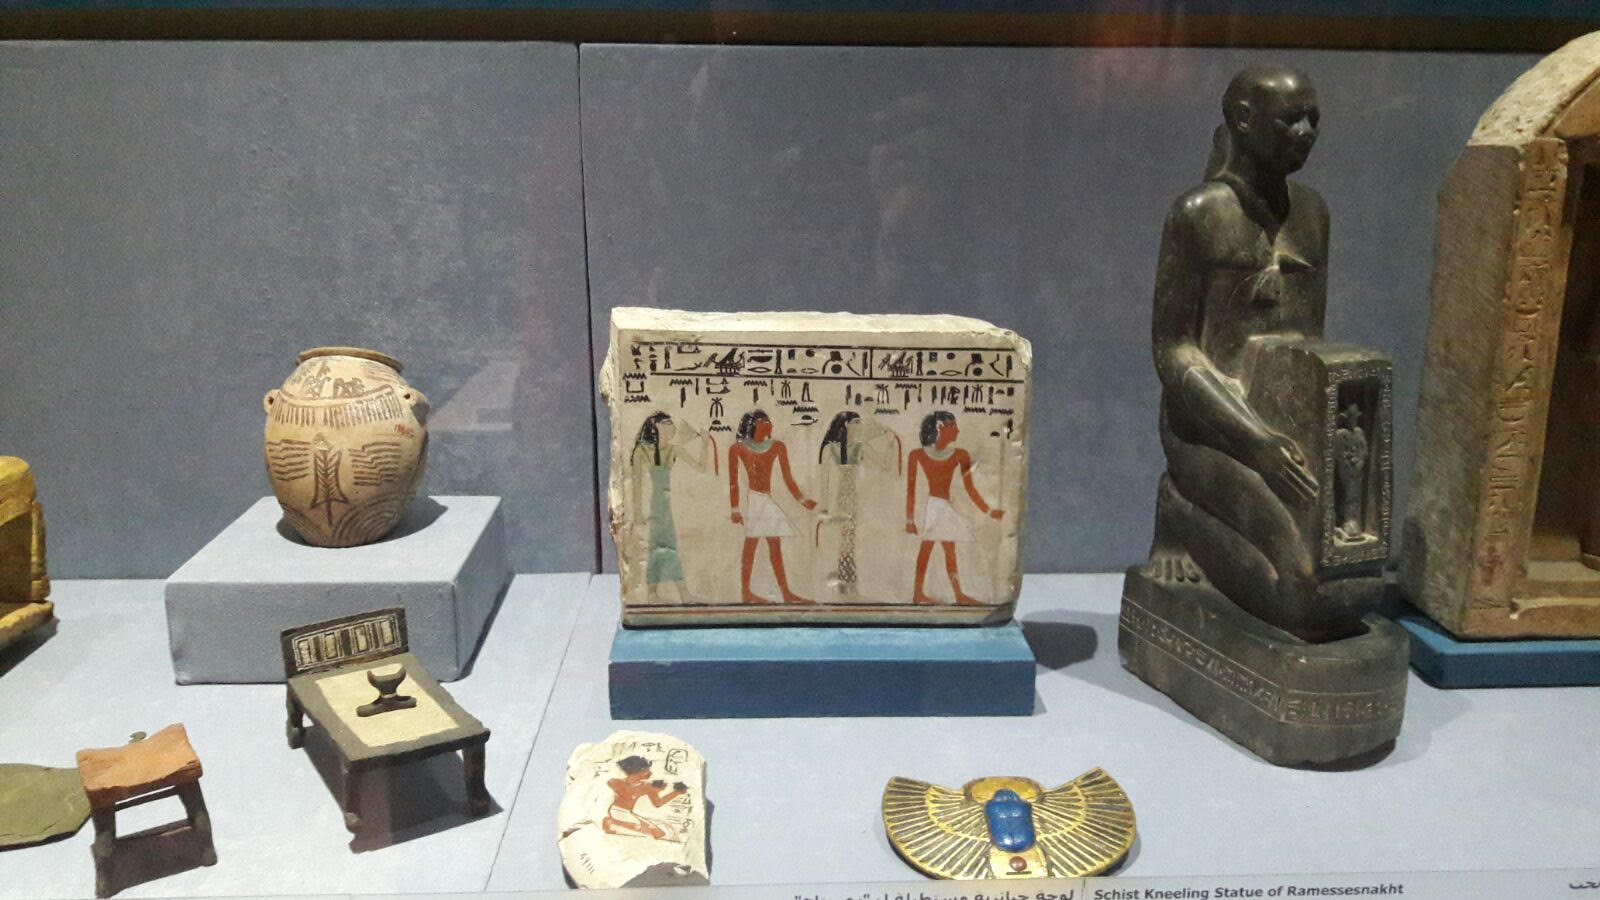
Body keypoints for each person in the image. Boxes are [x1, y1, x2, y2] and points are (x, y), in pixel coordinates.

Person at [1146, 65, 1367, 641]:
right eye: (1290, 119)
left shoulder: (1312, 213)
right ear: (1243, 120)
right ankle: (1179, 511)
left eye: (1313, 118)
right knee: (1302, 589)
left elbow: (1307, 348)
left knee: (1357, 578)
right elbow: (1174, 351)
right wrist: (1254, 441)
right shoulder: (1198, 213)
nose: (1306, 132)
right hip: (1208, 428)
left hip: (1284, 424)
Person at [906, 411, 1003, 606]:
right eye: (953, 427)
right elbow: (911, 489)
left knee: (947, 550)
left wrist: (988, 511)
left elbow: (969, 488)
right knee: (929, 548)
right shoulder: (917, 455)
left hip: (944, 507)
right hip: (935, 507)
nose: (958, 431)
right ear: (940, 428)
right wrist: (909, 520)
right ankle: (921, 594)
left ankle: (955, 595)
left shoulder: (960, 454)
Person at [729, 410, 816, 605]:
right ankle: (748, 593)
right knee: (752, 545)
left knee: (772, 545)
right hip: (755, 500)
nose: (769, 425)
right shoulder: (737, 449)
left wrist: (802, 500)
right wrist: (735, 510)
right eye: (764, 422)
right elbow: (733, 483)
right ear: (754, 425)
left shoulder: (777, 446)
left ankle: (783, 593)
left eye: (769, 422)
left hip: (766, 500)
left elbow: (787, 477)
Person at [631, 412, 712, 603]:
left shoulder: (674, 449)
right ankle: (661, 593)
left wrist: (705, 444)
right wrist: (637, 513)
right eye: (667, 423)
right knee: (659, 546)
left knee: (666, 546)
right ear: (656, 426)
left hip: (666, 506)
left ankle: (667, 593)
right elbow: (637, 484)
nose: (673, 426)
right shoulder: (641, 451)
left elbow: (701, 468)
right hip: (655, 506)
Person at [816, 412, 900, 596]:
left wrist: (890, 445)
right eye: (856, 422)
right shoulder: (831, 448)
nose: (860, 425)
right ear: (846, 424)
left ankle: (847, 581)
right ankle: (847, 581)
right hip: (844, 497)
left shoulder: (860, 446)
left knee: (849, 540)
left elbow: (885, 465)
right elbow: (824, 479)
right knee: (847, 540)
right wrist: (824, 508)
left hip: (857, 497)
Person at [602, 755, 688, 841]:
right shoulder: (644, 786)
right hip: (619, 813)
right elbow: (657, 803)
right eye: (647, 770)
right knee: (656, 833)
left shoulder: (615, 781)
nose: (650, 773)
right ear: (639, 771)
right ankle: (612, 821)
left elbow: (656, 802)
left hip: (619, 811)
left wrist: (655, 790)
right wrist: (676, 792)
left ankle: (613, 821)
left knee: (659, 833)